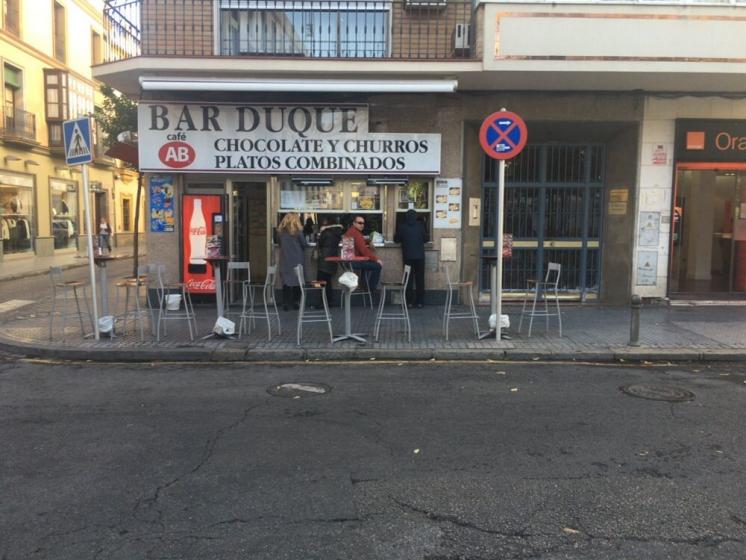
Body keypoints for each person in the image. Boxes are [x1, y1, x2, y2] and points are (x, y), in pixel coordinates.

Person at [394, 209, 429, 307]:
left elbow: (396, 239)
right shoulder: (420, 226)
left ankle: (409, 302)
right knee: (420, 279)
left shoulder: (402, 227)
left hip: (408, 258)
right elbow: (426, 239)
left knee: (408, 279)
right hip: (420, 258)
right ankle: (420, 302)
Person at [344, 214, 382, 293]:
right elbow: (363, 250)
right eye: (359, 223)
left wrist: (368, 241)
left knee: (368, 265)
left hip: (349, 261)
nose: (362, 225)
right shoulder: (355, 233)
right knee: (377, 266)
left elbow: (360, 242)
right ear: (354, 223)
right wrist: (376, 259)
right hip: (353, 261)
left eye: (363, 223)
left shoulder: (352, 231)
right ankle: (370, 289)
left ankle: (364, 286)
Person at [276, 213, 307, 310]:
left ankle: (285, 303)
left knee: (286, 281)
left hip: (285, 258)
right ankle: (296, 303)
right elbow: (304, 244)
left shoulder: (280, 232)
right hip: (297, 258)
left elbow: (279, 243)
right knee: (297, 280)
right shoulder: (298, 232)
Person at [316, 217, 344, 306]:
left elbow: (319, 242)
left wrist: (319, 234)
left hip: (324, 258)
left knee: (319, 281)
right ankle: (329, 301)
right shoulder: (337, 233)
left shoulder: (326, 232)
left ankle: (322, 301)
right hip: (332, 258)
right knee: (328, 281)